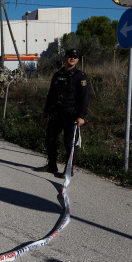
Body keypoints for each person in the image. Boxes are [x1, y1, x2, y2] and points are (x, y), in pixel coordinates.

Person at [35, 49, 90, 177]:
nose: (73, 58)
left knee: (69, 142)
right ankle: (52, 165)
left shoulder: (80, 76)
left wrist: (81, 116)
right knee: (50, 138)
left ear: (77, 60)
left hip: (72, 115)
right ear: (65, 58)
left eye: (75, 57)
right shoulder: (57, 74)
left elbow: (84, 98)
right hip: (57, 113)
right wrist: (46, 111)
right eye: (70, 56)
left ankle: (68, 169)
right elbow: (51, 94)